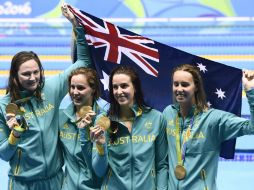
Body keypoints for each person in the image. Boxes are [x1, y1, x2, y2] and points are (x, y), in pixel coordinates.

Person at [0, 4, 91, 190]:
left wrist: (76, 26)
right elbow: (4, 154)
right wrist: (15, 135)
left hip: (55, 180)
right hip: (21, 184)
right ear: (15, 76)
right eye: (26, 74)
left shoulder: (51, 88)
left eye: (36, 72)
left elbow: (83, 62)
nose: (33, 78)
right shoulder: (4, 106)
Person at [162, 64, 254, 190]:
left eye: (185, 84)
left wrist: (250, 92)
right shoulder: (168, 113)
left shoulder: (213, 120)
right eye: (176, 84)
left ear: (196, 87)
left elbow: (251, 127)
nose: (179, 89)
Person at [80, 66, 168, 190]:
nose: (119, 91)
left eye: (124, 86)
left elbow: (161, 165)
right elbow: (99, 171)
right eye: (115, 87)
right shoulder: (103, 120)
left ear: (135, 88)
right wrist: (101, 146)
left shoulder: (156, 118)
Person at [59, 67, 108, 190]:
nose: (75, 92)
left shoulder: (104, 122)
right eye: (72, 87)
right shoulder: (62, 116)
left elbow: (99, 170)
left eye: (81, 88)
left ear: (93, 89)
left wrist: (84, 133)